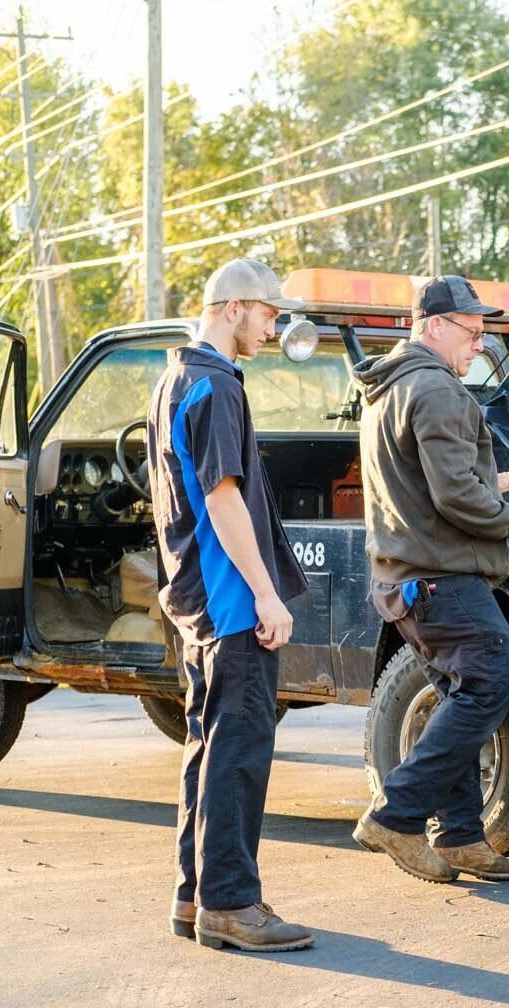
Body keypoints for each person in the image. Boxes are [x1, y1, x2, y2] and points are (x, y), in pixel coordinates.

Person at [351, 275, 509, 884]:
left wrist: (495, 484)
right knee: (490, 678)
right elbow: (455, 495)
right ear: (433, 325)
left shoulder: (387, 389)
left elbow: (426, 484)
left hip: (406, 577)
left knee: (459, 696)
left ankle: (460, 835)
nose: (479, 346)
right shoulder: (436, 390)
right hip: (442, 576)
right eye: (472, 332)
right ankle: (396, 813)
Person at [148, 258, 314, 951]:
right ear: (234, 307)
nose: (274, 330)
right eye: (270, 315)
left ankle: (196, 896)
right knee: (238, 752)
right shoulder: (214, 387)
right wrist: (268, 593)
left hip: (197, 599)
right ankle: (231, 903)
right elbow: (222, 497)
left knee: (208, 745)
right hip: (230, 601)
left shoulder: (173, 381)